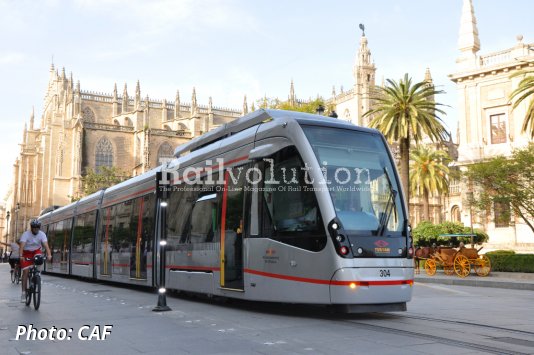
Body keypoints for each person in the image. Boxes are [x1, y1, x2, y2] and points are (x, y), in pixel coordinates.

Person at [19, 219, 52, 302]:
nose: (36, 229)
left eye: (37, 227)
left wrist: (49, 255)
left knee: (40, 259)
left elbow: (46, 246)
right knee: (25, 272)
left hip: (36, 251)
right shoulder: (26, 234)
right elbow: (21, 246)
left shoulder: (42, 234)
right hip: (26, 253)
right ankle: (23, 293)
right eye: (34, 227)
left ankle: (37, 275)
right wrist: (20, 256)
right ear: (31, 227)